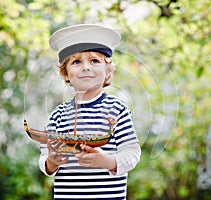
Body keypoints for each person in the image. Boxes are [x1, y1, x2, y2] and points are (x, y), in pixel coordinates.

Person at [38, 24, 141, 200]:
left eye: (94, 61)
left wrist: (107, 161)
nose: (86, 67)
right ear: (66, 74)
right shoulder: (57, 115)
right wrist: (51, 162)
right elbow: (45, 157)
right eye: (76, 62)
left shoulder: (117, 110)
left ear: (108, 70)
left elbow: (132, 152)